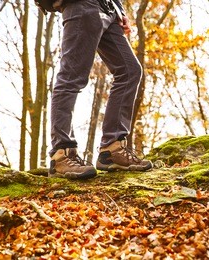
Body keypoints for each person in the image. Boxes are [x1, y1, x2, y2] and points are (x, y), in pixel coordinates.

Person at [47, 0, 153, 179]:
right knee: (72, 76)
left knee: (130, 71)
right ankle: (62, 154)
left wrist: (119, 10)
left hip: (108, 7)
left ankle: (112, 149)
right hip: (81, 5)